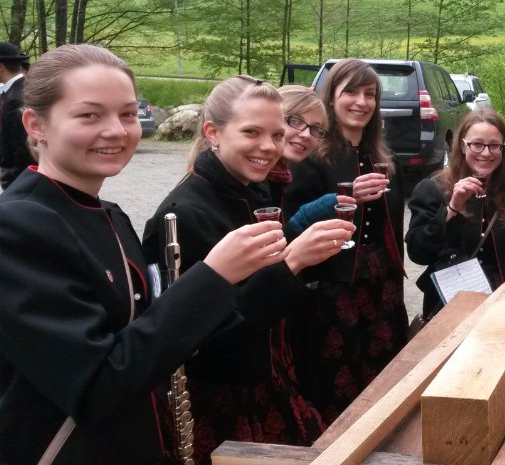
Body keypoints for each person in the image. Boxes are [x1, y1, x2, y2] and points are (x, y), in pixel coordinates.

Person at [0, 45, 291, 464]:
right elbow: (98, 385)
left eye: (128, 113)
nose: (116, 131)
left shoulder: (108, 213)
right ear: (36, 125)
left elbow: (149, 337)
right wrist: (214, 275)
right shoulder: (17, 226)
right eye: (89, 115)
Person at [142, 75, 355, 464]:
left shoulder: (251, 190)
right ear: (213, 132)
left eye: (276, 134)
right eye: (252, 132)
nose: (269, 147)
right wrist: (293, 261)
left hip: (269, 380)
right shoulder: (183, 214)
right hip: (223, 405)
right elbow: (206, 343)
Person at [284, 59, 408, 423]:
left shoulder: (383, 158)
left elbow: (391, 228)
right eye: (350, 92)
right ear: (332, 97)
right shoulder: (311, 157)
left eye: (370, 94)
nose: (361, 102)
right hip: (331, 287)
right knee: (335, 381)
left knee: (384, 373)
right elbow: (291, 225)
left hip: (380, 285)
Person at [407, 109, 505, 318]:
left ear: (503, 149)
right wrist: (452, 208)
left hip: (502, 306)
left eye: (494, 145)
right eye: (477, 144)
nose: (486, 153)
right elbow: (418, 253)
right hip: (450, 308)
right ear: (462, 146)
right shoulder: (432, 190)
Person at [266, 84, 329, 211]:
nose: (306, 135)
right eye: (295, 121)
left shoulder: (280, 179)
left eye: (315, 129)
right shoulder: (246, 178)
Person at [0, 41, 33, 189]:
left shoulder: (16, 99)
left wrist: (10, 178)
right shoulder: (20, 89)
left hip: (20, 180)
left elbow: (24, 148)